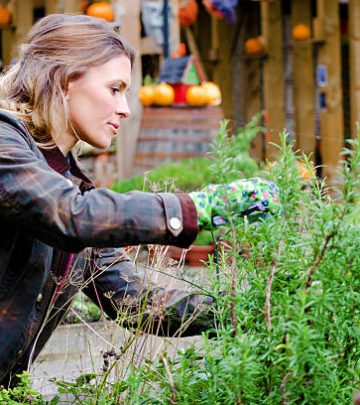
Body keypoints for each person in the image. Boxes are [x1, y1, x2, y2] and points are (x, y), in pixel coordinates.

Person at [0, 14, 281, 387]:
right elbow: (68, 215)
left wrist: (244, 311)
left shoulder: (68, 181)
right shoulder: (6, 145)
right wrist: (199, 208)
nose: (126, 109)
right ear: (64, 81)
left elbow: (133, 299)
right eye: (114, 89)